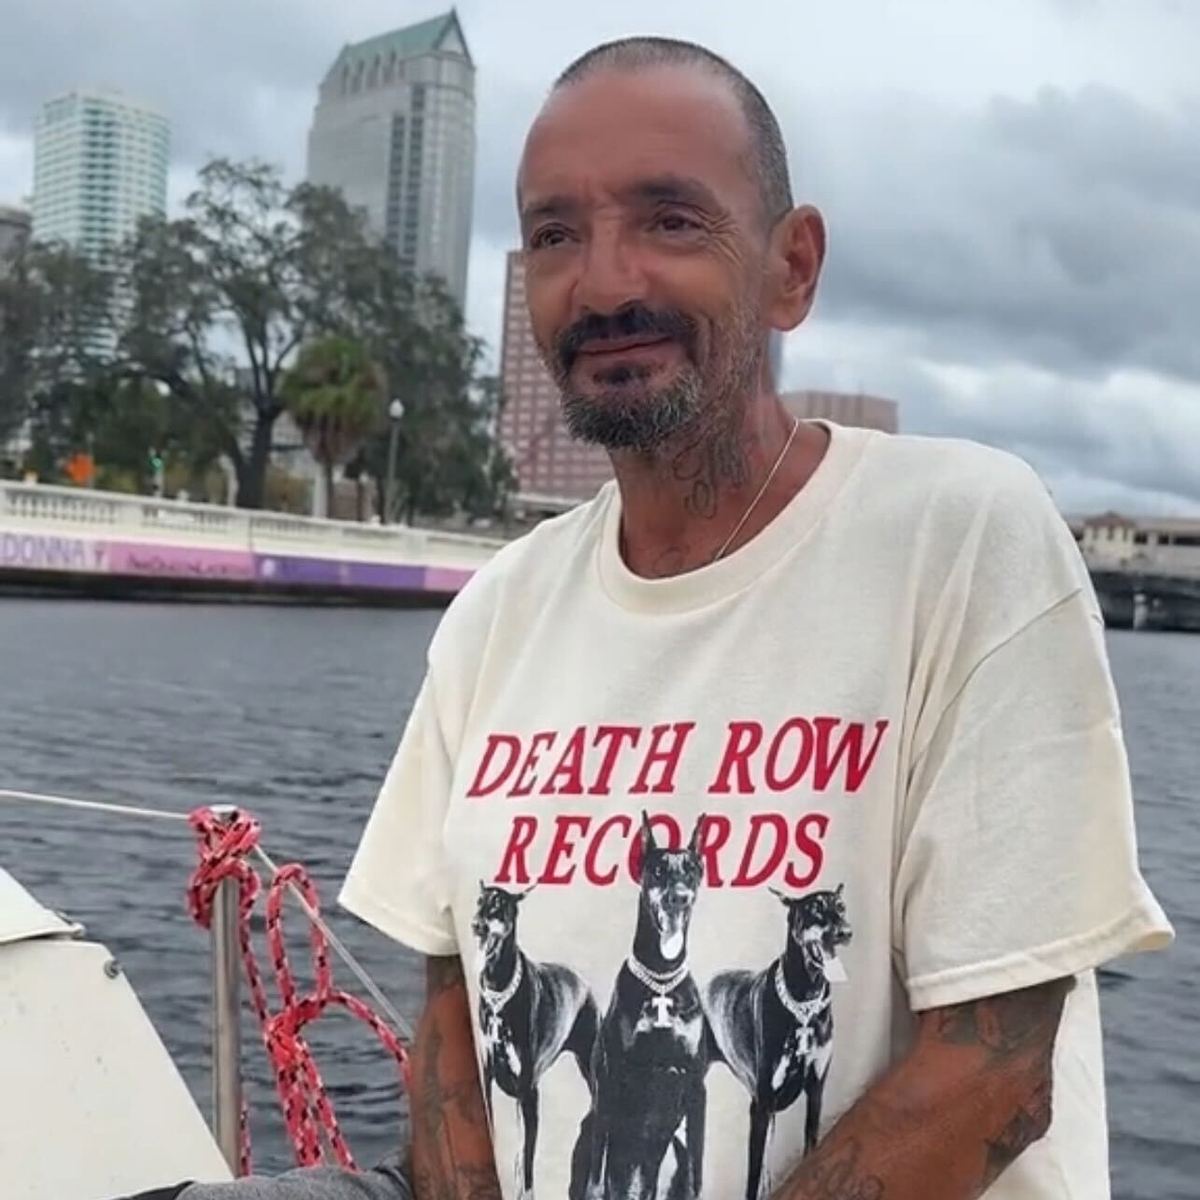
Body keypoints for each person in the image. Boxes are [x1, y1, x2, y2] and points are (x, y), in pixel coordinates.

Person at [124, 34, 1171, 1200]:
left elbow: (999, 1071)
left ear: (793, 266)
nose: (606, 282)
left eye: (670, 220)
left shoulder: (962, 537)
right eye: (555, 234)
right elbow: (453, 1019)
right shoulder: (499, 612)